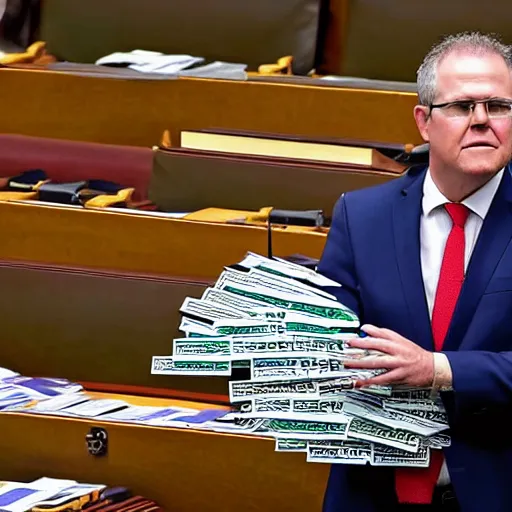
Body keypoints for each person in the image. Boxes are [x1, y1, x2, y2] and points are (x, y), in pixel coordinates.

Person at [317, 31, 512, 512]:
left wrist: (436, 369)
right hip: (374, 493)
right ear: (424, 121)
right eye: (463, 107)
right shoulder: (359, 216)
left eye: (500, 106)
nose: (483, 121)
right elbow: (326, 345)